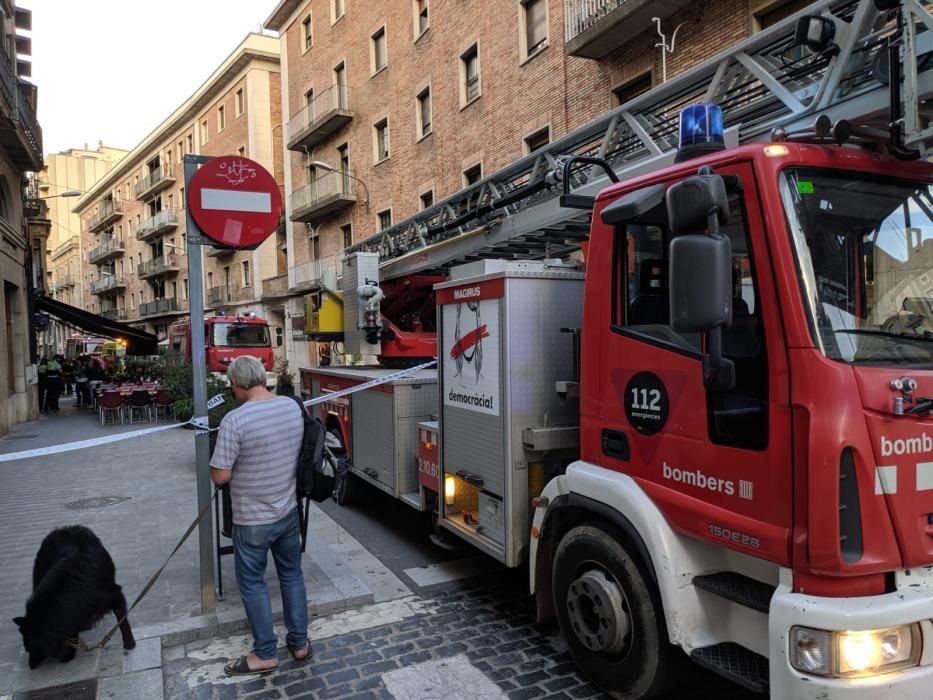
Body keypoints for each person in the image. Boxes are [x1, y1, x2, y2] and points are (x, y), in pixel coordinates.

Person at [210, 355, 309, 676]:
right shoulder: (292, 407)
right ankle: (299, 643)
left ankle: (265, 653)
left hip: (252, 519)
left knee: (253, 584)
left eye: (231, 386)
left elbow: (220, 477)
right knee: (292, 575)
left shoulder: (235, 420)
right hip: (288, 511)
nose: (232, 390)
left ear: (237, 384)